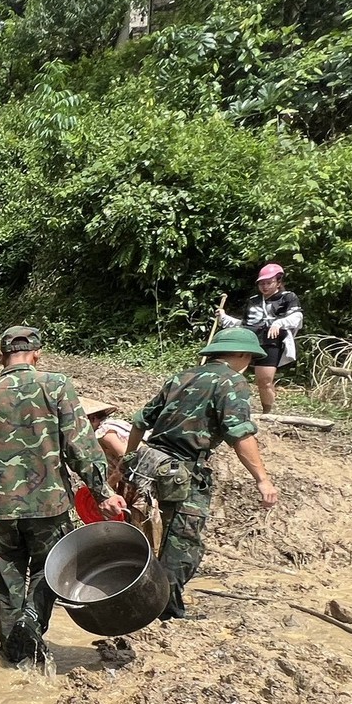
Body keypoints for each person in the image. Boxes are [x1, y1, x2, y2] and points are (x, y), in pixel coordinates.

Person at [0, 325, 127, 668]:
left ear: (1, 356)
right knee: (50, 569)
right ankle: (31, 623)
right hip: (50, 506)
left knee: (9, 574)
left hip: (3, 509)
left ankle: (13, 653)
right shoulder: (56, 385)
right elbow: (80, 445)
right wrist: (102, 491)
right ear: (37, 353)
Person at [125, 327, 280, 619]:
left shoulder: (183, 376)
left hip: (149, 464)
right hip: (181, 471)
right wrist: (263, 480)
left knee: (150, 534)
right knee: (183, 543)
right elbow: (240, 435)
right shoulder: (233, 382)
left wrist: (129, 458)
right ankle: (165, 610)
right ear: (242, 354)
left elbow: (140, 420)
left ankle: (142, 599)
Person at [219, 262, 304, 413]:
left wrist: (279, 323)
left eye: (268, 283)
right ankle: (229, 408)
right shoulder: (254, 300)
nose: (265, 286)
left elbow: (297, 317)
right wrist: (223, 317)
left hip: (270, 342)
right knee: (232, 374)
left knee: (264, 381)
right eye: (261, 283)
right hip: (247, 341)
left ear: (278, 282)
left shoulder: (287, 297)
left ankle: (267, 412)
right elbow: (243, 324)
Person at [71, 397, 133, 524]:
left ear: (93, 419)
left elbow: (129, 459)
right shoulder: (110, 427)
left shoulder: (105, 433)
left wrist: (106, 489)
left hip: (138, 478)